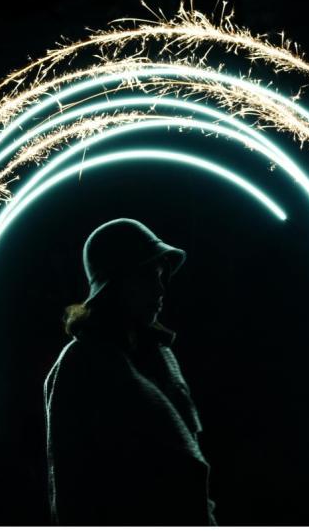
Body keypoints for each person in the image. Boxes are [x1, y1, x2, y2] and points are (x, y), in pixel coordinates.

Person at [43, 218, 217, 525]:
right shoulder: (80, 363)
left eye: (163, 276)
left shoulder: (161, 356)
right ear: (117, 282)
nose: (161, 287)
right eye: (150, 274)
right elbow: (72, 489)